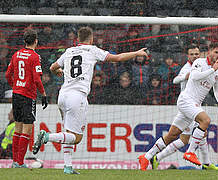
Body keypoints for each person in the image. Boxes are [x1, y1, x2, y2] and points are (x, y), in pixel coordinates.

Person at [32, 26, 148, 174]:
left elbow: (52, 67)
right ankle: (47, 136)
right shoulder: (92, 50)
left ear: (77, 39)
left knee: (68, 132)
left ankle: (67, 167)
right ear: (91, 39)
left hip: (63, 95)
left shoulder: (69, 51)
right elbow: (117, 58)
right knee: (76, 137)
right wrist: (137, 53)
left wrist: (59, 71)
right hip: (77, 97)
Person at [138, 42, 218, 170]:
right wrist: (212, 69)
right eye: (216, 52)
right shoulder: (200, 62)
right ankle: (191, 153)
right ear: (209, 52)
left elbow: (217, 89)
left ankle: (147, 157)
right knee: (205, 121)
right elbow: (195, 77)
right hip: (186, 100)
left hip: (194, 104)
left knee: (172, 135)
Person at [5, 29, 48, 168]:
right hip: (28, 96)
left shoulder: (16, 54)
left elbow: (7, 74)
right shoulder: (35, 56)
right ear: (36, 41)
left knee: (17, 128)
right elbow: (36, 79)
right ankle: (20, 162)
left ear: (24, 41)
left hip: (16, 94)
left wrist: (16, 85)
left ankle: (15, 162)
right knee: (27, 129)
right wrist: (43, 94)